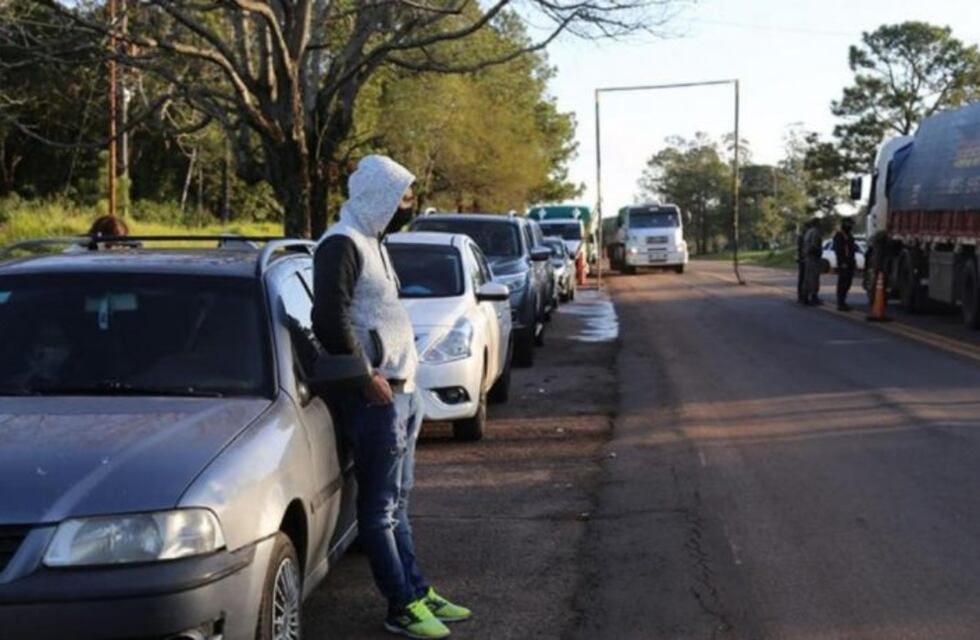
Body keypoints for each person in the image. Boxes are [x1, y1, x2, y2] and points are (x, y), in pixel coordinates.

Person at [312, 155, 469, 639]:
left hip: (405, 391)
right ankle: (400, 606)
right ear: (378, 194)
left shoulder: (374, 242)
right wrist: (365, 377)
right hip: (374, 397)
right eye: (402, 195)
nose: (408, 204)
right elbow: (329, 320)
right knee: (378, 510)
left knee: (398, 503)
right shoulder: (340, 244)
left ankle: (418, 591)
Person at [833, 217, 859, 311]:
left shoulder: (849, 235)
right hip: (844, 263)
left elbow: (852, 249)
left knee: (848, 283)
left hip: (850, 262)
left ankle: (843, 302)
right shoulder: (840, 235)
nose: (851, 226)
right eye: (850, 224)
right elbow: (839, 250)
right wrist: (843, 262)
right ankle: (840, 303)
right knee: (843, 283)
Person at [802, 217, 823, 305]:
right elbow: (814, 245)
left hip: (807, 257)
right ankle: (813, 297)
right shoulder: (815, 232)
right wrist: (818, 253)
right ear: (817, 223)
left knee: (807, 278)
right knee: (814, 278)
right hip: (813, 257)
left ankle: (805, 297)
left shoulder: (808, 232)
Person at [796, 223, 807, 304]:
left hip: (802, 259)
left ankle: (802, 296)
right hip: (803, 259)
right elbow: (801, 249)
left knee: (802, 278)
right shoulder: (802, 237)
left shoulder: (802, 237)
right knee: (803, 278)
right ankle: (801, 297)